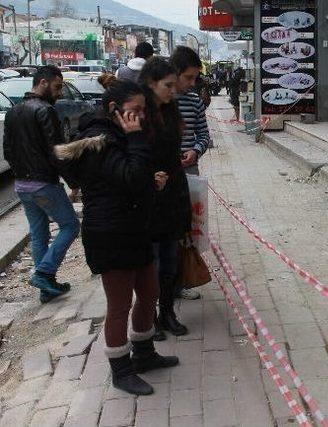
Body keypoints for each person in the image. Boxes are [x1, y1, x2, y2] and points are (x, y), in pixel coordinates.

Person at [55, 78, 178, 396]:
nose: (141, 116)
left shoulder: (117, 136)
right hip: (110, 235)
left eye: (143, 110)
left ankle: (144, 353)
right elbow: (130, 178)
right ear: (114, 110)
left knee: (149, 292)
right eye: (134, 111)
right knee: (120, 305)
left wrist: (151, 181)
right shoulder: (100, 141)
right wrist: (138, 146)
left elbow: (129, 180)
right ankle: (121, 370)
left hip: (133, 228)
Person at [2, 65, 80, 304]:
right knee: (70, 226)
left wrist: (21, 174)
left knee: (39, 234)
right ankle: (44, 274)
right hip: (43, 184)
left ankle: (46, 288)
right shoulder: (45, 111)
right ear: (43, 82)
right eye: (57, 87)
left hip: (22, 186)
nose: (59, 93)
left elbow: (8, 150)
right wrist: (73, 182)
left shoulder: (14, 111)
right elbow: (57, 152)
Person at [139, 58, 191, 340]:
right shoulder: (137, 114)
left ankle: (167, 311)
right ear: (150, 83)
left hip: (172, 192)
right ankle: (148, 319)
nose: (174, 90)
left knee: (170, 260)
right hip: (148, 196)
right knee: (153, 261)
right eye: (168, 85)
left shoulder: (170, 112)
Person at [169, 46, 211, 300]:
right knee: (167, 232)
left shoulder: (194, 101)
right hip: (164, 176)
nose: (192, 83)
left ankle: (181, 281)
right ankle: (166, 284)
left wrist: (195, 150)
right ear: (174, 73)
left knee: (187, 230)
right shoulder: (159, 99)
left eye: (195, 78)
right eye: (188, 77)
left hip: (189, 175)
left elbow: (205, 136)